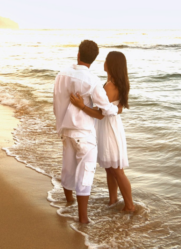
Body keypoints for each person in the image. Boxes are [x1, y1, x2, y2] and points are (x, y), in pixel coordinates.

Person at [53, 40, 120, 224]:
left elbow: (56, 102)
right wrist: (117, 109)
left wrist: (61, 123)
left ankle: (68, 204)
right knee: (85, 173)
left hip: (66, 131)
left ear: (78, 54)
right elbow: (105, 109)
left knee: (67, 168)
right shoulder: (92, 80)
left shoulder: (61, 75)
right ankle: (83, 218)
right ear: (93, 60)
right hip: (84, 133)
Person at [69, 51, 135, 212]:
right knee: (110, 167)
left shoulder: (110, 86)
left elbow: (100, 114)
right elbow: (114, 109)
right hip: (110, 126)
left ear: (112, 65)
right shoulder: (115, 83)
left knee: (117, 169)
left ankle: (130, 206)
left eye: (106, 60)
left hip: (108, 128)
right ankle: (113, 200)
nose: (103, 62)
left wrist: (82, 106)